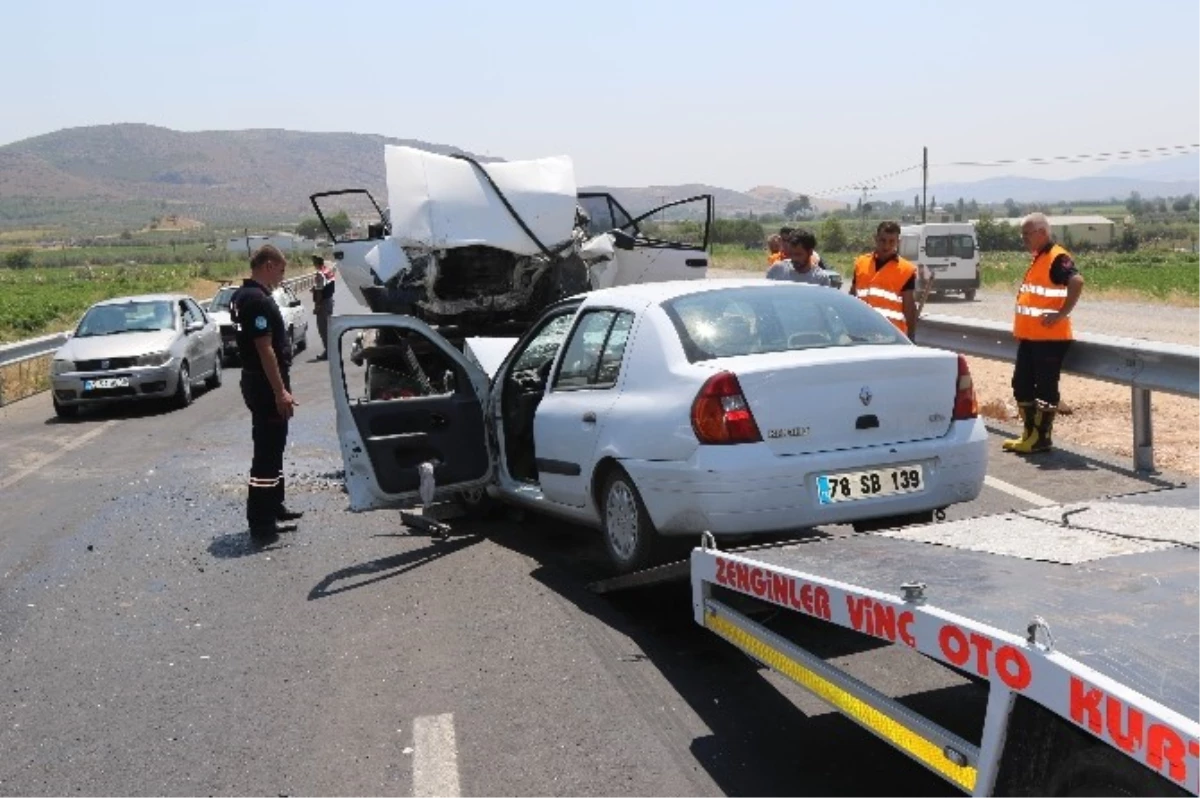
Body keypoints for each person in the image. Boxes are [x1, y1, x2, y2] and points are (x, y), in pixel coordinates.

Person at [231, 245, 302, 540]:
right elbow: (265, 348)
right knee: (267, 452)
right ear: (269, 265)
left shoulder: (241, 295)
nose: (282, 277)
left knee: (275, 446)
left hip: (257, 381)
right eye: (282, 270)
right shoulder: (257, 300)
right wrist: (280, 391)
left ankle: (274, 505)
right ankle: (261, 522)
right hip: (264, 383)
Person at [1002, 213, 1084, 454]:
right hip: (1030, 337)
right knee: (1021, 385)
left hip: (1050, 339)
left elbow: (1076, 281)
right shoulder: (1039, 258)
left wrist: (1062, 312)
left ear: (1042, 232)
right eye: (1022, 233)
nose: (1023, 238)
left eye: (1027, 233)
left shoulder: (1057, 257)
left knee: (1046, 389)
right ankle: (1029, 434)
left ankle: (1042, 437)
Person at [850, 220, 919, 337]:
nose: (886, 246)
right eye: (883, 240)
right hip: (861, 333)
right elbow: (852, 297)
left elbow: (909, 309)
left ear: (898, 242)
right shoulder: (861, 263)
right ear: (875, 239)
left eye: (892, 241)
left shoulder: (906, 270)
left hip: (891, 336)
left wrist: (911, 337)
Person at [766, 229, 831, 286]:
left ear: (810, 252)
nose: (794, 258)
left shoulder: (821, 279)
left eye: (798, 254)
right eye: (791, 254)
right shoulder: (777, 270)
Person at [310, 254, 336, 360]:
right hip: (329, 301)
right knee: (329, 327)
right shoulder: (328, 271)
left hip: (323, 303)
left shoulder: (320, 274)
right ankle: (332, 350)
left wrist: (317, 306)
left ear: (316, 263)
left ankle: (328, 352)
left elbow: (320, 291)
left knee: (323, 328)